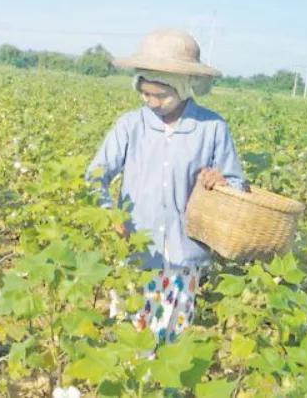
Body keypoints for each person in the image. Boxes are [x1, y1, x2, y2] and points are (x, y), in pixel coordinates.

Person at [86, 29, 247, 345]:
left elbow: (238, 186)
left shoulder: (211, 128)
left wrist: (222, 182)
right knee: (131, 338)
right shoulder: (130, 125)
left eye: (161, 95)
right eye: (145, 93)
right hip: (135, 249)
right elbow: (95, 177)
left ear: (185, 88)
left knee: (170, 339)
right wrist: (109, 213)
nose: (152, 102)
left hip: (183, 255)